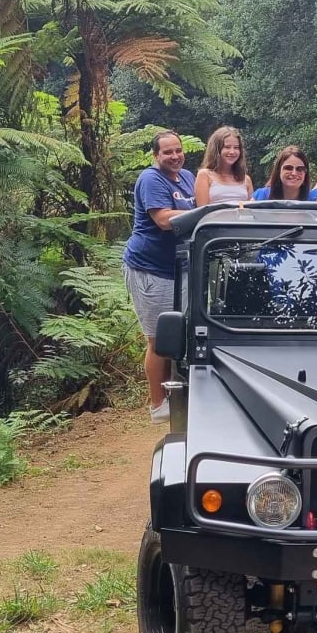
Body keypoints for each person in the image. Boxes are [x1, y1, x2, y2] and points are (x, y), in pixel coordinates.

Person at [123, 131, 197, 423]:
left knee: (179, 335)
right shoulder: (151, 179)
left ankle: (176, 394)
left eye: (178, 150)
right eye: (167, 152)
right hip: (150, 268)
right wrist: (202, 212)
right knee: (159, 339)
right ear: (156, 155)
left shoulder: (188, 177)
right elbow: (164, 220)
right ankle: (157, 405)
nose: (175, 156)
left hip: (179, 268)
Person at [195, 125, 254, 205]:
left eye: (236, 147)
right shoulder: (205, 175)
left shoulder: (246, 179)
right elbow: (202, 211)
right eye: (227, 147)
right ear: (216, 150)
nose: (232, 152)